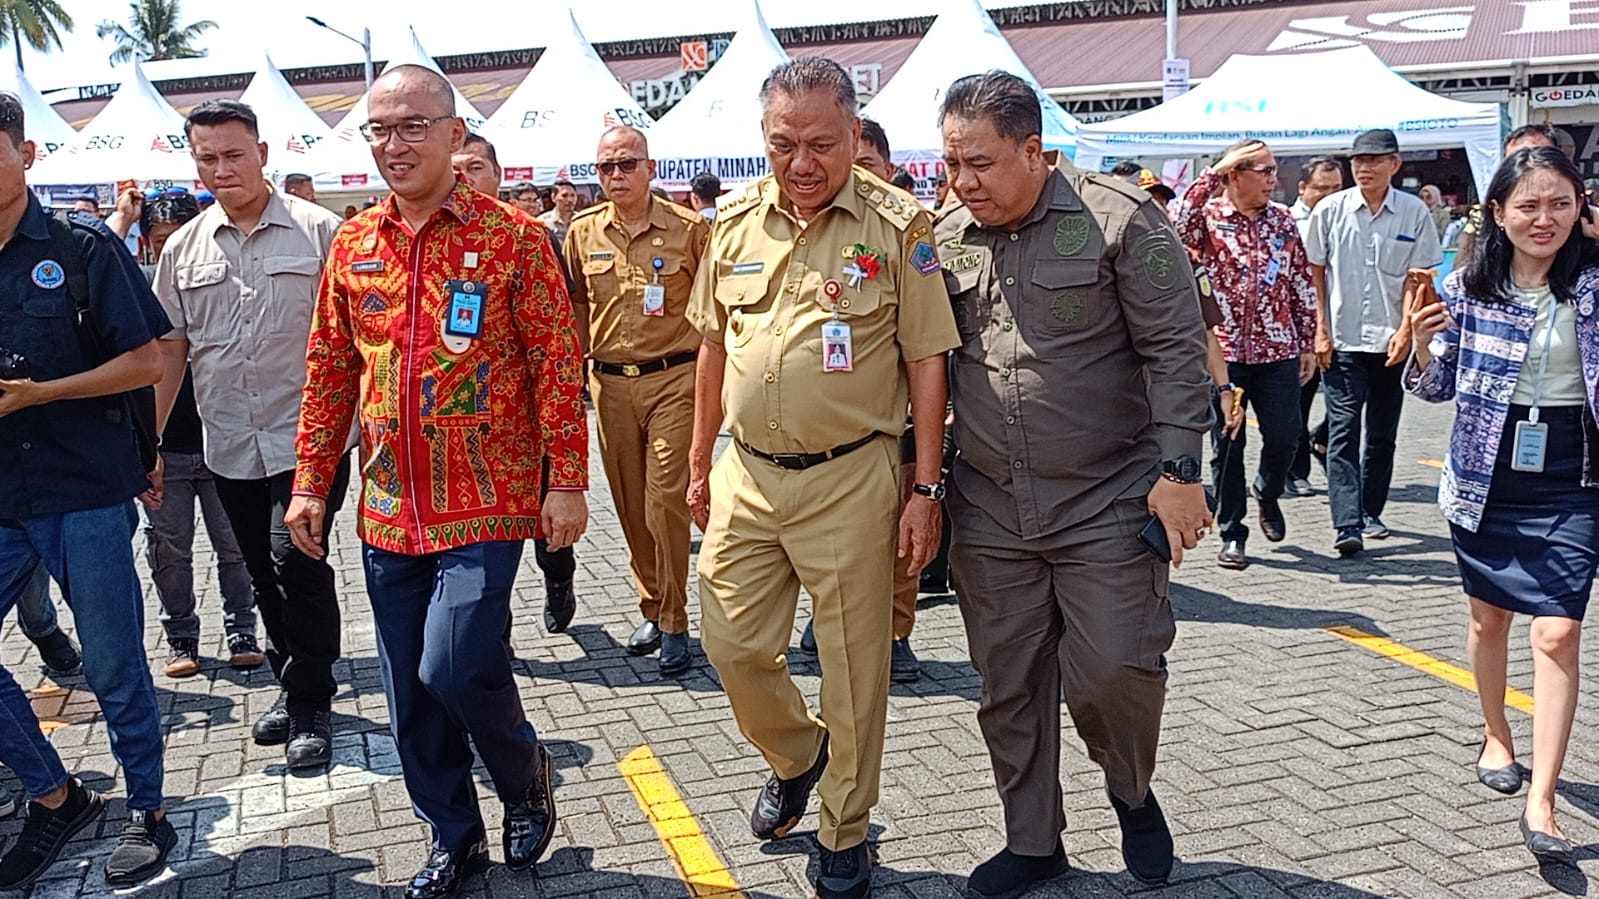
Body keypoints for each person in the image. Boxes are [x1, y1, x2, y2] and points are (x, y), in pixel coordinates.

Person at [287, 65, 586, 899]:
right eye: (379, 130)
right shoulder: (353, 244)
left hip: (487, 495)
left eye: (412, 126)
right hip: (388, 506)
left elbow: (558, 367)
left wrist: (566, 480)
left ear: (456, 136)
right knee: (407, 700)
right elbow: (329, 368)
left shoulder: (512, 239)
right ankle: (454, 838)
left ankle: (525, 772)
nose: (394, 144)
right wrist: (312, 479)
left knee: (452, 666)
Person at [685, 57, 958, 899]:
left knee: (852, 668)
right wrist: (699, 461)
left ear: (853, 132)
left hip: (851, 477)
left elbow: (926, 361)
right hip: (749, 476)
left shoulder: (898, 225)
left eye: (821, 143)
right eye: (782, 144)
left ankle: (845, 830)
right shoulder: (731, 223)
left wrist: (924, 487)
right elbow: (712, 345)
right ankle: (797, 756)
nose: (801, 162)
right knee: (730, 643)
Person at [935, 70, 1212, 896]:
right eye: (952, 163)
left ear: (1034, 150)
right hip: (988, 502)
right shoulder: (942, 237)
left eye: (979, 162)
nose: (963, 181)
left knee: (1114, 670)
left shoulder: (1122, 221)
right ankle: (1033, 841)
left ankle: (1130, 790)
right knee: (1008, 683)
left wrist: (1179, 473)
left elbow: (1175, 349)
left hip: (1108, 496)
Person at [0, 90, 177, 889]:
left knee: (111, 664)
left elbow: (147, 359)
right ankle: (53, 792)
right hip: (5, 495)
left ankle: (147, 807)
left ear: (26, 153)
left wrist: (41, 392)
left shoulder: (80, 249)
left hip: (86, 491)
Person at [1405, 146, 1599, 863]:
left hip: (1574, 475)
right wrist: (1423, 353)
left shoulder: (1595, 284)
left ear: (1581, 207)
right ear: (1497, 213)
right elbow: (1434, 390)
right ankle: (1495, 733)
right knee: (1487, 619)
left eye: (1559, 203)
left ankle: (1540, 800)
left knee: (1555, 634)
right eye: (1527, 205)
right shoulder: (1466, 288)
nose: (1542, 218)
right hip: (1486, 475)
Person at [152, 98, 348, 770]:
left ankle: (311, 701)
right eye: (206, 157)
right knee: (262, 571)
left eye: (233, 154)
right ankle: (290, 681)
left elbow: (357, 342)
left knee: (297, 562)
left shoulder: (320, 232)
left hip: (310, 439)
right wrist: (148, 444)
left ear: (263, 153)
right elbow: (170, 352)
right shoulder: (182, 249)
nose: (220, 168)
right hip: (230, 440)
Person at [564, 126, 708, 676]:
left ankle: (675, 620)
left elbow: (713, 313)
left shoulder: (690, 231)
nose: (617, 176)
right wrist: (570, 376)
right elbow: (577, 304)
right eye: (606, 168)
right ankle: (653, 601)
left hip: (675, 378)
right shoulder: (582, 233)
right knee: (628, 504)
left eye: (627, 165)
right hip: (610, 385)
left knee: (664, 498)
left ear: (651, 168)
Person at [451, 131, 582, 635]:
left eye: (475, 168)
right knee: (484, 546)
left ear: (498, 176)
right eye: (456, 169)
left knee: (550, 533)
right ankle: (493, 633)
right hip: (473, 428)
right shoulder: (435, 239)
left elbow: (558, 330)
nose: (465, 179)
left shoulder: (529, 236)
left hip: (531, 416)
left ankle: (559, 581)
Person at [1175, 139, 1317, 570]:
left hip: (1277, 350)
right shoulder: (1210, 218)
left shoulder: (1282, 221)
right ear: (1235, 175)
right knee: (1228, 443)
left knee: (1286, 435)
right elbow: (1179, 221)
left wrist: (1308, 340)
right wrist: (1215, 172)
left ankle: (1268, 491)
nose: (1273, 180)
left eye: (1275, 171)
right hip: (1226, 353)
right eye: (1264, 170)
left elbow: (1299, 280)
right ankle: (1233, 532)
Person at [137, 189, 262, 677]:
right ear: (146, 243)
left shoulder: (225, 284)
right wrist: (147, 444)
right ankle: (181, 637)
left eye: (177, 239)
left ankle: (242, 628)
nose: (169, 250)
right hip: (166, 449)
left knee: (235, 545)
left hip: (222, 441)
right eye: (159, 240)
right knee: (169, 550)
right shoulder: (134, 291)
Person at [1305, 128, 1442, 555]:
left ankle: (1370, 510)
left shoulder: (1413, 213)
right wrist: (1319, 330)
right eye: (1358, 161)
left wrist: (1405, 330)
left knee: (1382, 434)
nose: (1363, 168)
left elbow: (1417, 278)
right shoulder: (1330, 210)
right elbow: (1316, 274)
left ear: (1394, 165)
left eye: (1374, 160)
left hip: (1390, 342)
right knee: (1344, 430)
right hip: (1343, 340)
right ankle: (1347, 523)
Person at [1287, 156, 1346, 497]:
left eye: (1336, 188)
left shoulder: (1347, 215)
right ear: (1303, 188)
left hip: (1341, 320)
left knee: (1347, 401)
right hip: (1301, 327)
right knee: (1300, 400)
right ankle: (1296, 471)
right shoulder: (1287, 220)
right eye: (1322, 188)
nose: (1329, 195)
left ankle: (1320, 440)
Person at [1458, 124, 1559, 262]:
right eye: (1518, 160)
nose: (1529, 164)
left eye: (1540, 156)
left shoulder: (1581, 214)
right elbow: (1464, 267)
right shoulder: (1483, 216)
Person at [539, 179, 579, 246]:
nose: (570, 200)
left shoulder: (581, 220)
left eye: (573, 195)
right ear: (553, 197)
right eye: (564, 195)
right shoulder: (542, 222)